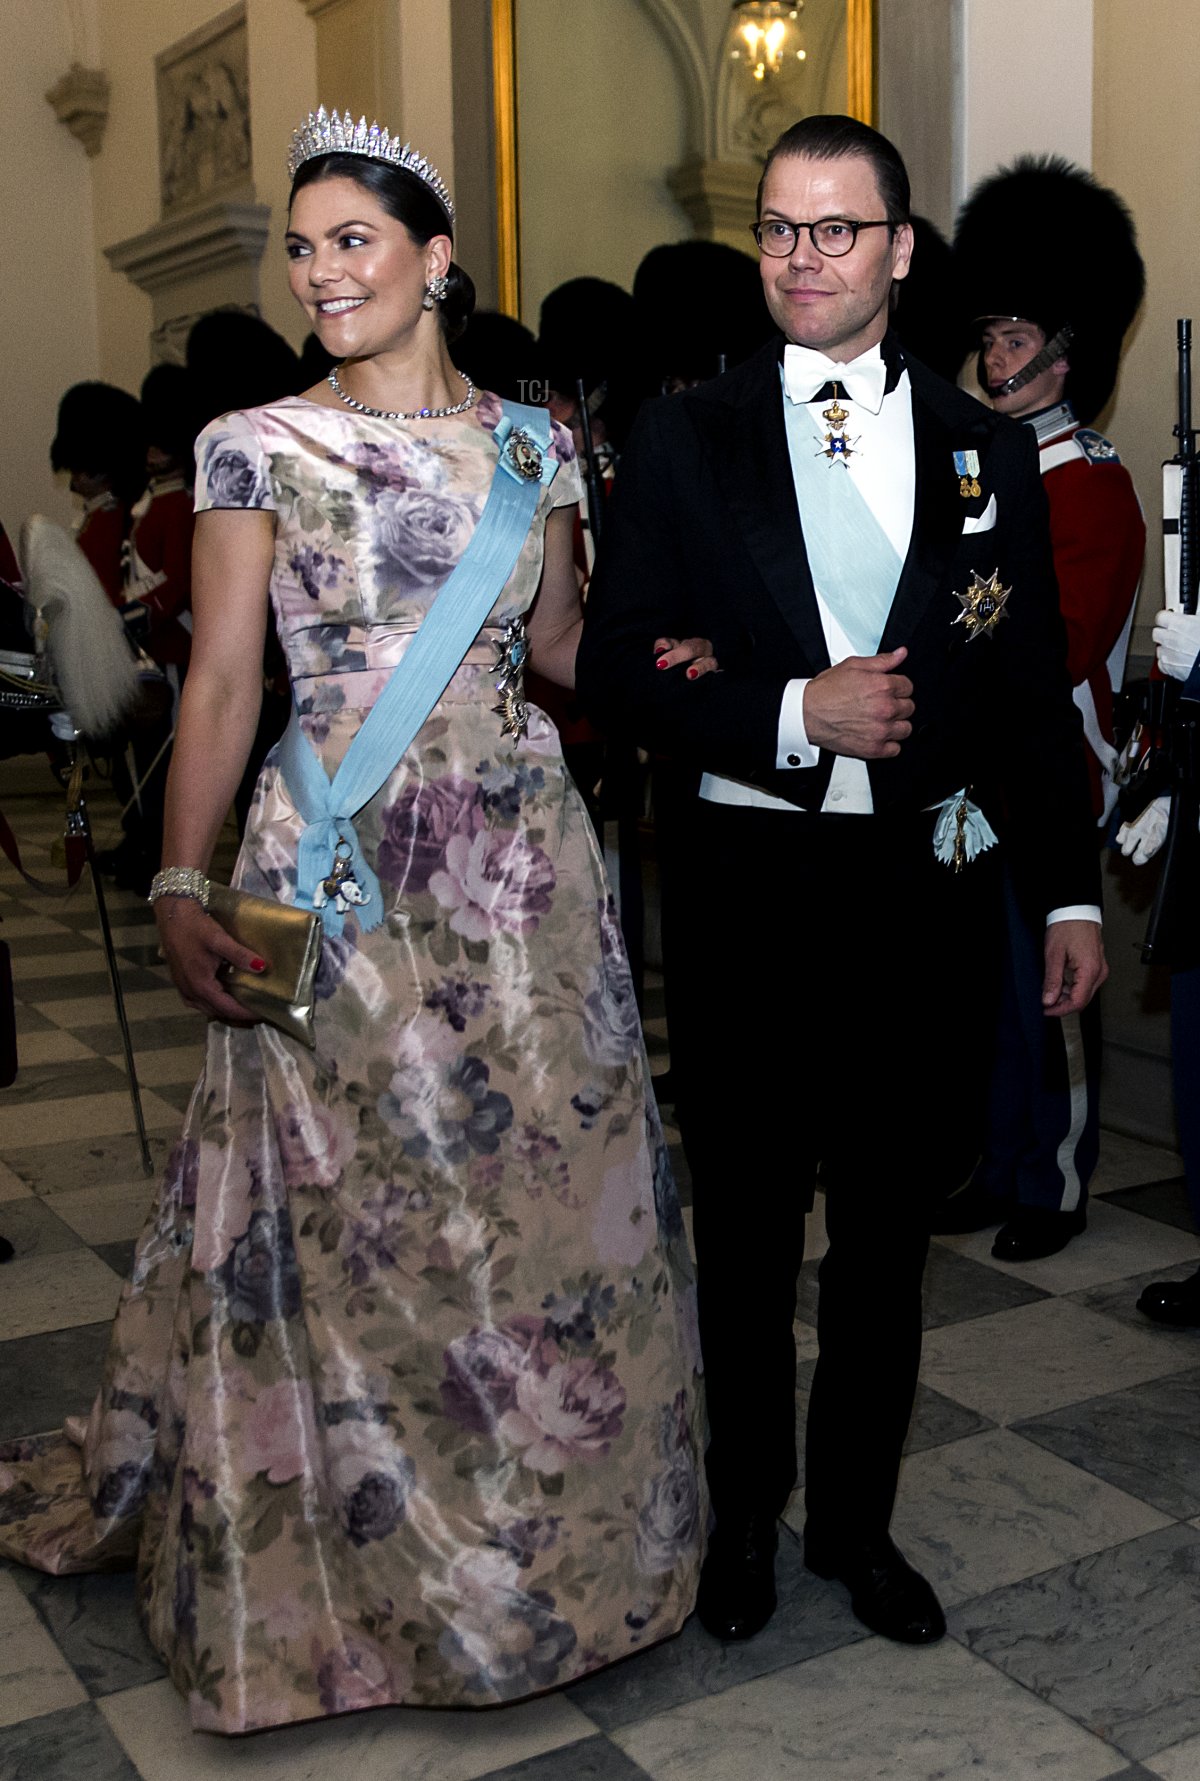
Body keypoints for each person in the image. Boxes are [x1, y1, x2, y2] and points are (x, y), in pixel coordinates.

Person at [0, 109, 709, 1734]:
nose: (324, 272)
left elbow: (561, 646)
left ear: (435, 258)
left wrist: (716, 675)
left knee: (544, 1208)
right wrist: (184, 879)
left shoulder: (537, 445)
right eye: (306, 247)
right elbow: (230, 684)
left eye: (356, 242)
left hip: (527, 875)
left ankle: (551, 1563)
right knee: (352, 1216)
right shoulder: (255, 446)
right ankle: (361, 1584)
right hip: (334, 863)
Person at [577, 113, 1106, 1651]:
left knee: (884, 1245)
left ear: (898, 250)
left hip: (920, 912)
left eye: (835, 229)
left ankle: (856, 1528)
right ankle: (744, 1518)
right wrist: (794, 707)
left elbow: (1015, 701)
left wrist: (1066, 896)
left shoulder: (982, 448)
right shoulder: (687, 435)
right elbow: (620, 667)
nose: (803, 257)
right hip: (748, 901)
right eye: (780, 229)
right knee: (744, 1240)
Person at [935, 156, 1146, 1261]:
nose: (997, 355)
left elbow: (1051, 645)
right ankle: (999, 1157)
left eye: (1020, 338)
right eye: (994, 334)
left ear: (1069, 353)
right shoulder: (988, 468)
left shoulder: (1092, 481)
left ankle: (1054, 1177)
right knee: (991, 991)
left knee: (1048, 984)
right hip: (977, 762)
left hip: (1054, 756)